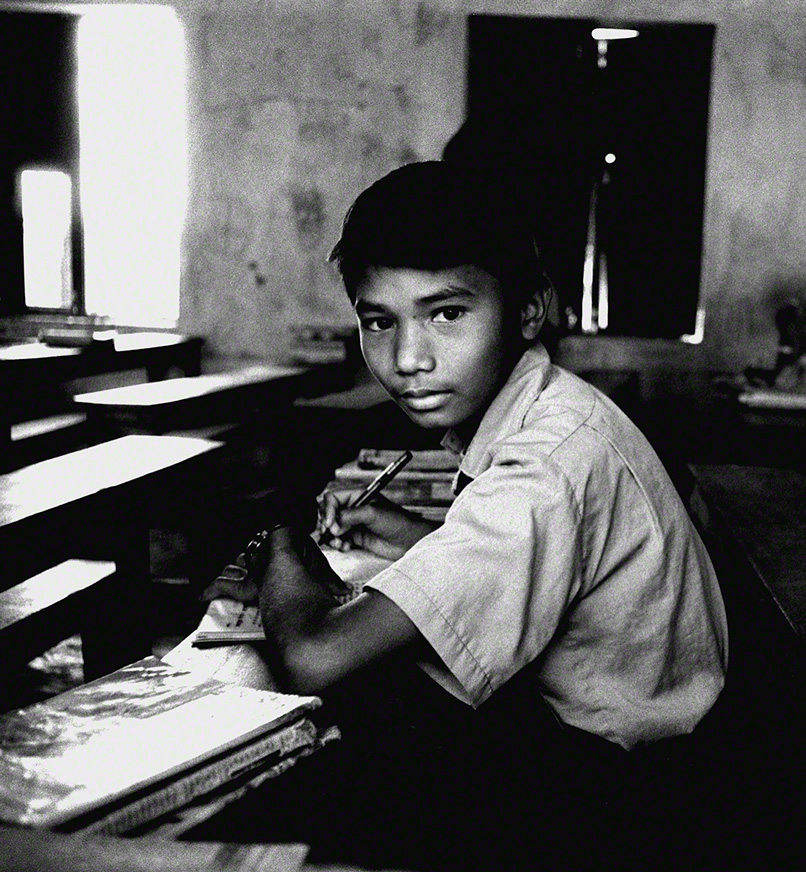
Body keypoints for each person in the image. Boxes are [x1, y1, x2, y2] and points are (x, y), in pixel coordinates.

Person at [200, 160, 728, 870]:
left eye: (448, 313)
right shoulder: (557, 410)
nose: (408, 357)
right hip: (633, 752)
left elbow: (314, 658)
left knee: (324, 728)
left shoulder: (547, 464)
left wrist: (278, 543)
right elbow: (548, 567)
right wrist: (414, 538)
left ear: (529, 310)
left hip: (618, 796)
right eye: (379, 320)